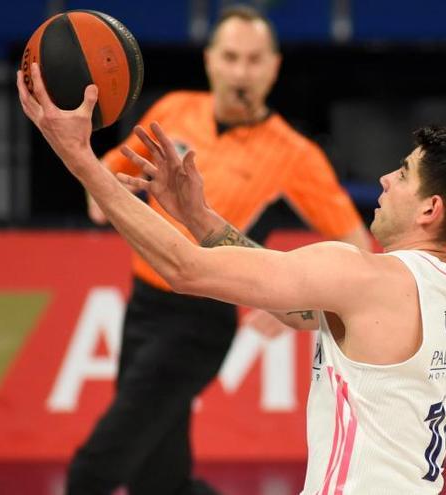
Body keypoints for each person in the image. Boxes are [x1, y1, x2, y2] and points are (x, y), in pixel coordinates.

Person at [17, 47, 446, 491]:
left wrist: (78, 156)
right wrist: (199, 217)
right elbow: (302, 312)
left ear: (430, 209)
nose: (383, 178)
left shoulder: (365, 278)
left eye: (402, 175)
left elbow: (184, 269)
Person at [71, 5, 370, 494]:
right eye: (230, 57)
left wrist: (299, 303)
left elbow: (358, 249)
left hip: (201, 321)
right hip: (143, 305)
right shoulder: (174, 110)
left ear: (274, 67)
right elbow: (103, 186)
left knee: (98, 465)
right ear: (210, 60)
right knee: (159, 481)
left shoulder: (294, 153)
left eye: (254, 61)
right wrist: (107, 192)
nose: (241, 72)